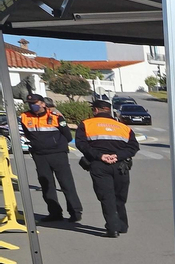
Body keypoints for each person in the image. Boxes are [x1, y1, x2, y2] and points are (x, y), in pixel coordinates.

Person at [74, 97, 139, 239]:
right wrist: (118, 156)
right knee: (120, 197)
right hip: (121, 165)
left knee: (106, 197)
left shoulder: (86, 124)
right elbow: (134, 147)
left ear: (96, 110)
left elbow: (81, 144)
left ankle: (112, 229)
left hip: (99, 165)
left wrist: (100, 156)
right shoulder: (123, 127)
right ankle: (122, 225)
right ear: (109, 111)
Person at [18, 93, 83, 223]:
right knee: (47, 185)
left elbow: (68, 136)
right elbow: (27, 133)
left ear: (42, 103)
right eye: (30, 103)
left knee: (66, 184)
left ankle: (75, 212)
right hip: (39, 155)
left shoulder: (55, 117)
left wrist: (57, 145)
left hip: (58, 154)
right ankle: (54, 213)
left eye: (35, 103)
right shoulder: (25, 117)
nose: (32, 106)